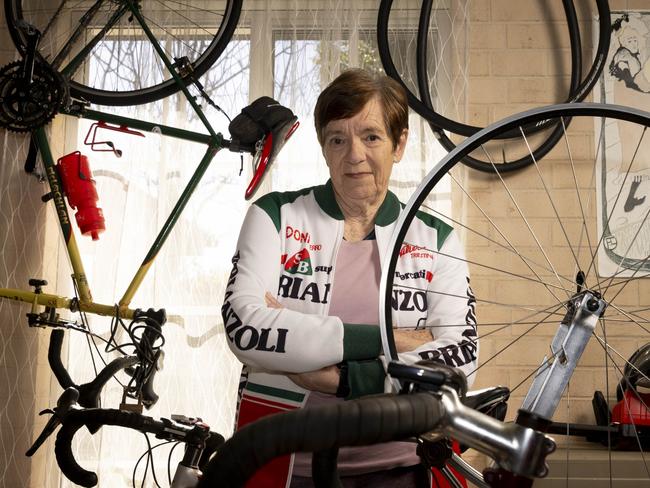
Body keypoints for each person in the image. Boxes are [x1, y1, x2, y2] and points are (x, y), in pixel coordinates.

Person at [221, 68, 478, 487]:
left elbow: (462, 357)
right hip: (284, 464)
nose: (354, 154)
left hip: (409, 466)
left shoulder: (438, 238)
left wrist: (344, 380)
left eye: (371, 136)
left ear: (400, 144)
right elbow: (245, 329)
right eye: (337, 138)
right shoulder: (274, 216)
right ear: (323, 148)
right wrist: (396, 338)